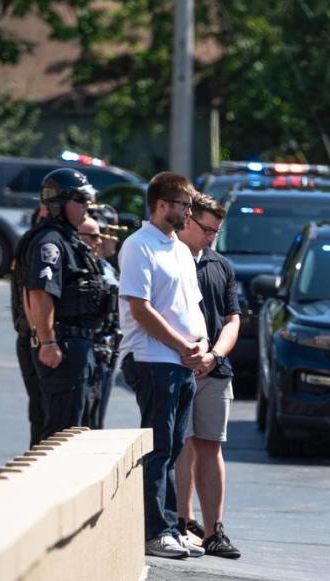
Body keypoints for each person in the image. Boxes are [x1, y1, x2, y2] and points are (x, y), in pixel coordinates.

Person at [117, 171, 209, 559]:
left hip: (182, 361)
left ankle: (171, 525)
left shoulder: (180, 250)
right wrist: (183, 345)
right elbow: (140, 309)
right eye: (183, 205)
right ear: (161, 205)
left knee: (172, 447)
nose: (189, 213)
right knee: (157, 447)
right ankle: (154, 532)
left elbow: (192, 307)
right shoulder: (140, 246)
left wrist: (202, 347)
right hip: (153, 360)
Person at [17, 169, 111, 442]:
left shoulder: (71, 241)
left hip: (80, 345)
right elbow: (40, 294)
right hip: (63, 347)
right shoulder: (50, 243)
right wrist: (47, 342)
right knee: (60, 431)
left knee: (78, 427)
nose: (86, 207)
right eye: (80, 200)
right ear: (60, 202)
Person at [174, 192, 242, 559]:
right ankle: (183, 522)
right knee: (180, 445)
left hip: (215, 369)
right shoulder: (169, 258)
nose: (211, 237)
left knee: (210, 445)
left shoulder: (221, 266)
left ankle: (214, 530)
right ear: (187, 220)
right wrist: (190, 353)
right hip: (178, 365)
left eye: (217, 231)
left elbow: (233, 319)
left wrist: (216, 355)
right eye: (206, 229)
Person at [75, 214, 121, 429]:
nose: (104, 240)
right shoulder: (80, 270)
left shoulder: (105, 267)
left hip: (106, 351)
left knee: (95, 420)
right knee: (80, 422)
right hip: (89, 349)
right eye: (97, 236)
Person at [11, 205, 46, 448]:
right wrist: (45, 339)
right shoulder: (35, 247)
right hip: (33, 338)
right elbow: (32, 295)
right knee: (42, 413)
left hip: (38, 338)